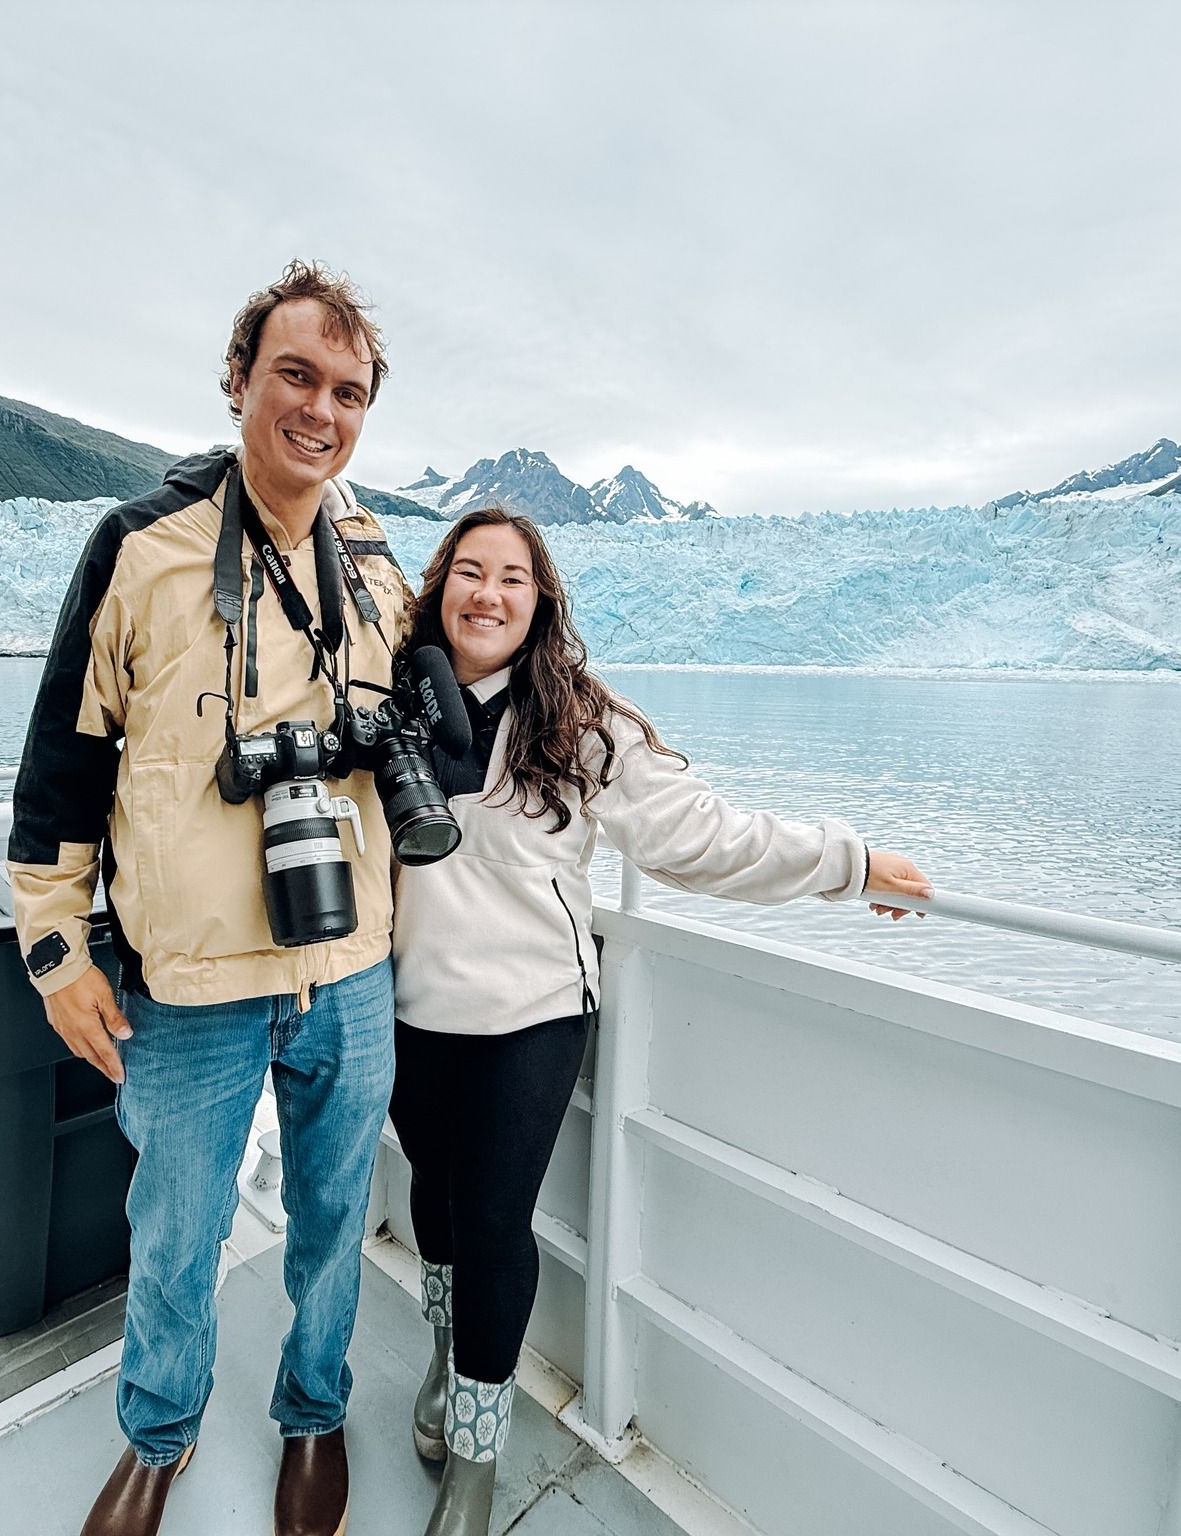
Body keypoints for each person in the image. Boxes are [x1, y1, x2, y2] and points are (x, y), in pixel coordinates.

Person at [387, 507, 933, 1536]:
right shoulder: (397, 704)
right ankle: (439, 1357)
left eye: (511, 577)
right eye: (468, 571)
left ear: (540, 600)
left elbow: (700, 838)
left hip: (528, 1018)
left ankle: (473, 1460)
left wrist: (846, 863)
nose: (487, 594)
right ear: (439, 585)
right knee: (433, 1202)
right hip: (409, 1010)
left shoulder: (578, 721)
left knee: (495, 1228)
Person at [6, 261, 413, 1536]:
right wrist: (57, 948)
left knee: (334, 1218)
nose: (320, 411)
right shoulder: (138, 549)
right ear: (238, 378)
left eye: (347, 391)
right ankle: (158, 1432)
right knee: (173, 1227)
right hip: (188, 982)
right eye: (294, 375)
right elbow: (60, 766)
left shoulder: (375, 557)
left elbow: (458, 701)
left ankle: (312, 1413)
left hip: (347, 962)